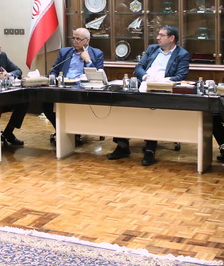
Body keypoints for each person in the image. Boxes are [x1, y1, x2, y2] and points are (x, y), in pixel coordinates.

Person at [107, 25, 190, 166]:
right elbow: (139, 67)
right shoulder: (152, 49)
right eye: (158, 35)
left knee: (152, 111)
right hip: (143, 85)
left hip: (162, 89)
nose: (157, 37)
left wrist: (161, 81)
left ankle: (150, 150)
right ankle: (122, 145)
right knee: (122, 105)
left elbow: (180, 76)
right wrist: (146, 77)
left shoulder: (182, 54)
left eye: (161, 35)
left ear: (171, 38)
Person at [43, 28, 105, 143]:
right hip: (64, 87)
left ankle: (74, 132)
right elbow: (54, 70)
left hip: (83, 90)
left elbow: (98, 77)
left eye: (78, 39)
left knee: (74, 104)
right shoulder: (65, 52)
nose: (74, 41)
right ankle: (61, 130)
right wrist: (54, 77)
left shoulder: (97, 54)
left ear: (87, 40)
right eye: (73, 38)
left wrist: (88, 61)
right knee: (46, 105)